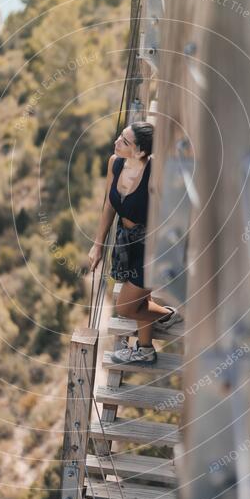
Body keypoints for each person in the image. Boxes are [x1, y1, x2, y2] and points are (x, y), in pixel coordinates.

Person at [88, 121, 183, 364]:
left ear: (141, 151)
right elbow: (110, 204)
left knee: (126, 307)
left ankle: (171, 316)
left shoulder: (156, 174)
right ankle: (145, 349)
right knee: (139, 299)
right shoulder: (115, 163)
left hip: (153, 247)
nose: (117, 142)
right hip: (126, 243)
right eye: (120, 136)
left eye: (125, 142)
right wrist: (98, 244)